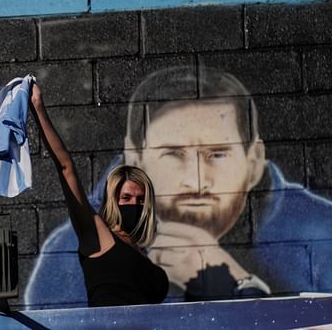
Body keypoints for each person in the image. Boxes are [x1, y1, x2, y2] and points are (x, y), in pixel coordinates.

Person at [25, 66, 332, 307]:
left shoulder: (318, 232)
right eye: (173, 154)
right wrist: (38, 108)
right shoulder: (92, 237)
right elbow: (66, 169)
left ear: (254, 160)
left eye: (217, 154)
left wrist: (232, 279)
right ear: (137, 155)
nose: (196, 180)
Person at [29, 82, 169, 307]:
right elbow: (66, 168)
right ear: (113, 201)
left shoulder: (143, 253)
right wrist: (38, 107)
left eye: (141, 200)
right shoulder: (98, 236)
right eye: (126, 198)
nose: (135, 204)